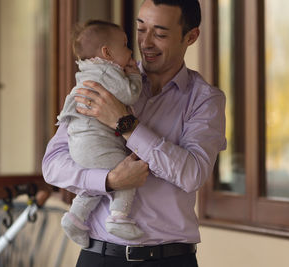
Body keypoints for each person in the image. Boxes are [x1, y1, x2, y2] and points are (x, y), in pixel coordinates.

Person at [42, 0, 226, 266]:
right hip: (98, 256)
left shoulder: (205, 100)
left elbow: (192, 174)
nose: (146, 43)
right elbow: (53, 165)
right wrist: (108, 181)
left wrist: (125, 123)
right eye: (141, 29)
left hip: (168, 259)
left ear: (191, 36)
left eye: (160, 33)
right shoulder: (102, 82)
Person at [58, 20, 144, 248]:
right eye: (125, 45)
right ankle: (118, 217)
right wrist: (135, 77)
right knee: (128, 174)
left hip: (79, 145)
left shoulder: (87, 71)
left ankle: (75, 218)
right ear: (107, 52)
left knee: (97, 182)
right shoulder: (107, 71)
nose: (130, 51)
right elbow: (129, 95)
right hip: (96, 144)